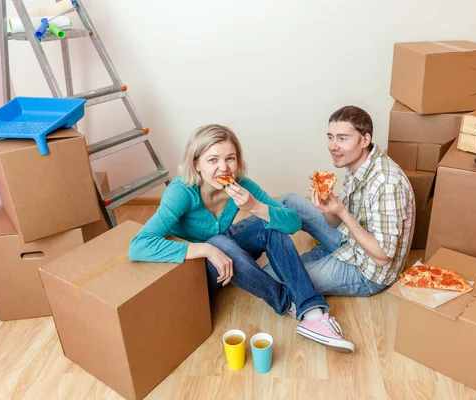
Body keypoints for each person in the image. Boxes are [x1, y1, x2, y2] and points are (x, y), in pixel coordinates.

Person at [129, 124, 355, 353]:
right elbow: (139, 245)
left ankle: (312, 313)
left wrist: (255, 207)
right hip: (195, 272)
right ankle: (287, 301)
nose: (223, 168)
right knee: (219, 242)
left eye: (230, 159)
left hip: (226, 254)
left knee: (269, 224)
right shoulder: (181, 192)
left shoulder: (241, 186)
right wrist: (207, 249)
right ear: (196, 164)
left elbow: (293, 223)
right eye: (212, 160)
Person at [265, 106, 415, 296]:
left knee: (271, 275)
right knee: (288, 200)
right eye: (330, 137)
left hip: (367, 272)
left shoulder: (387, 184)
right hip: (349, 242)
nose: (333, 146)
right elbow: (334, 223)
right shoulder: (357, 163)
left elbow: (382, 258)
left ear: (365, 140)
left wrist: (342, 211)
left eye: (342, 138)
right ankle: (242, 242)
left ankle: (239, 259)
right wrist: (326, 204)